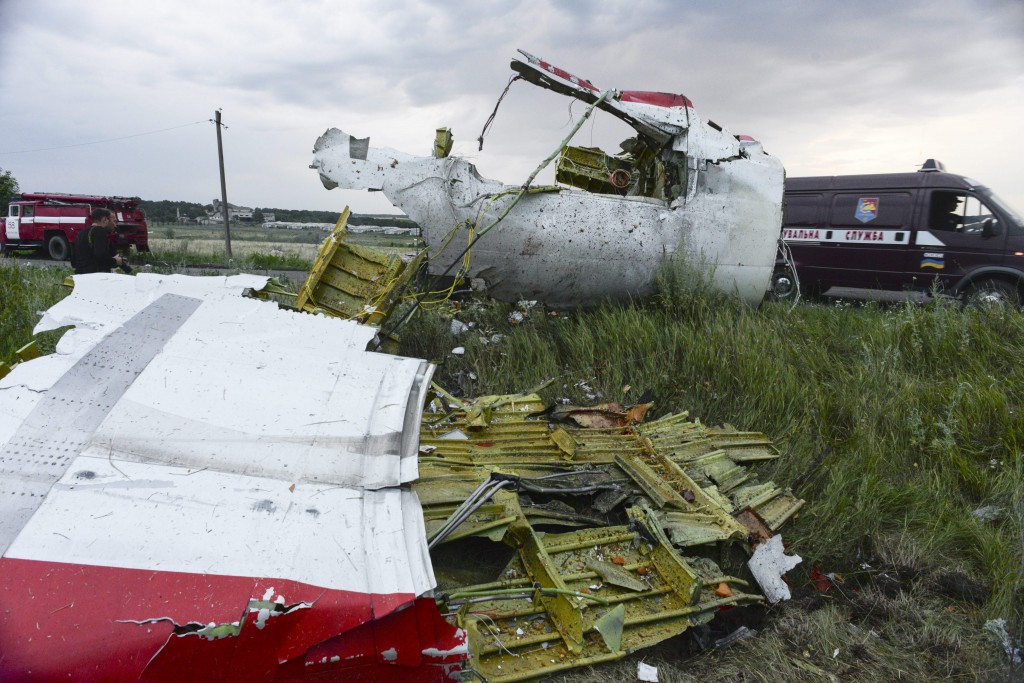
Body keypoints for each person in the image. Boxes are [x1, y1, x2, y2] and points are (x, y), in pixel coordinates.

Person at [73, 208, 127, 274]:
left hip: (79, 276)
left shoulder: (80, 234)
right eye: (114, 221)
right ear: (104, 219)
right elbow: (100, 255)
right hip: (96, 276)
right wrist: (115, 261)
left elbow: (73, 260)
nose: (115, 225)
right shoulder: (99, 231)